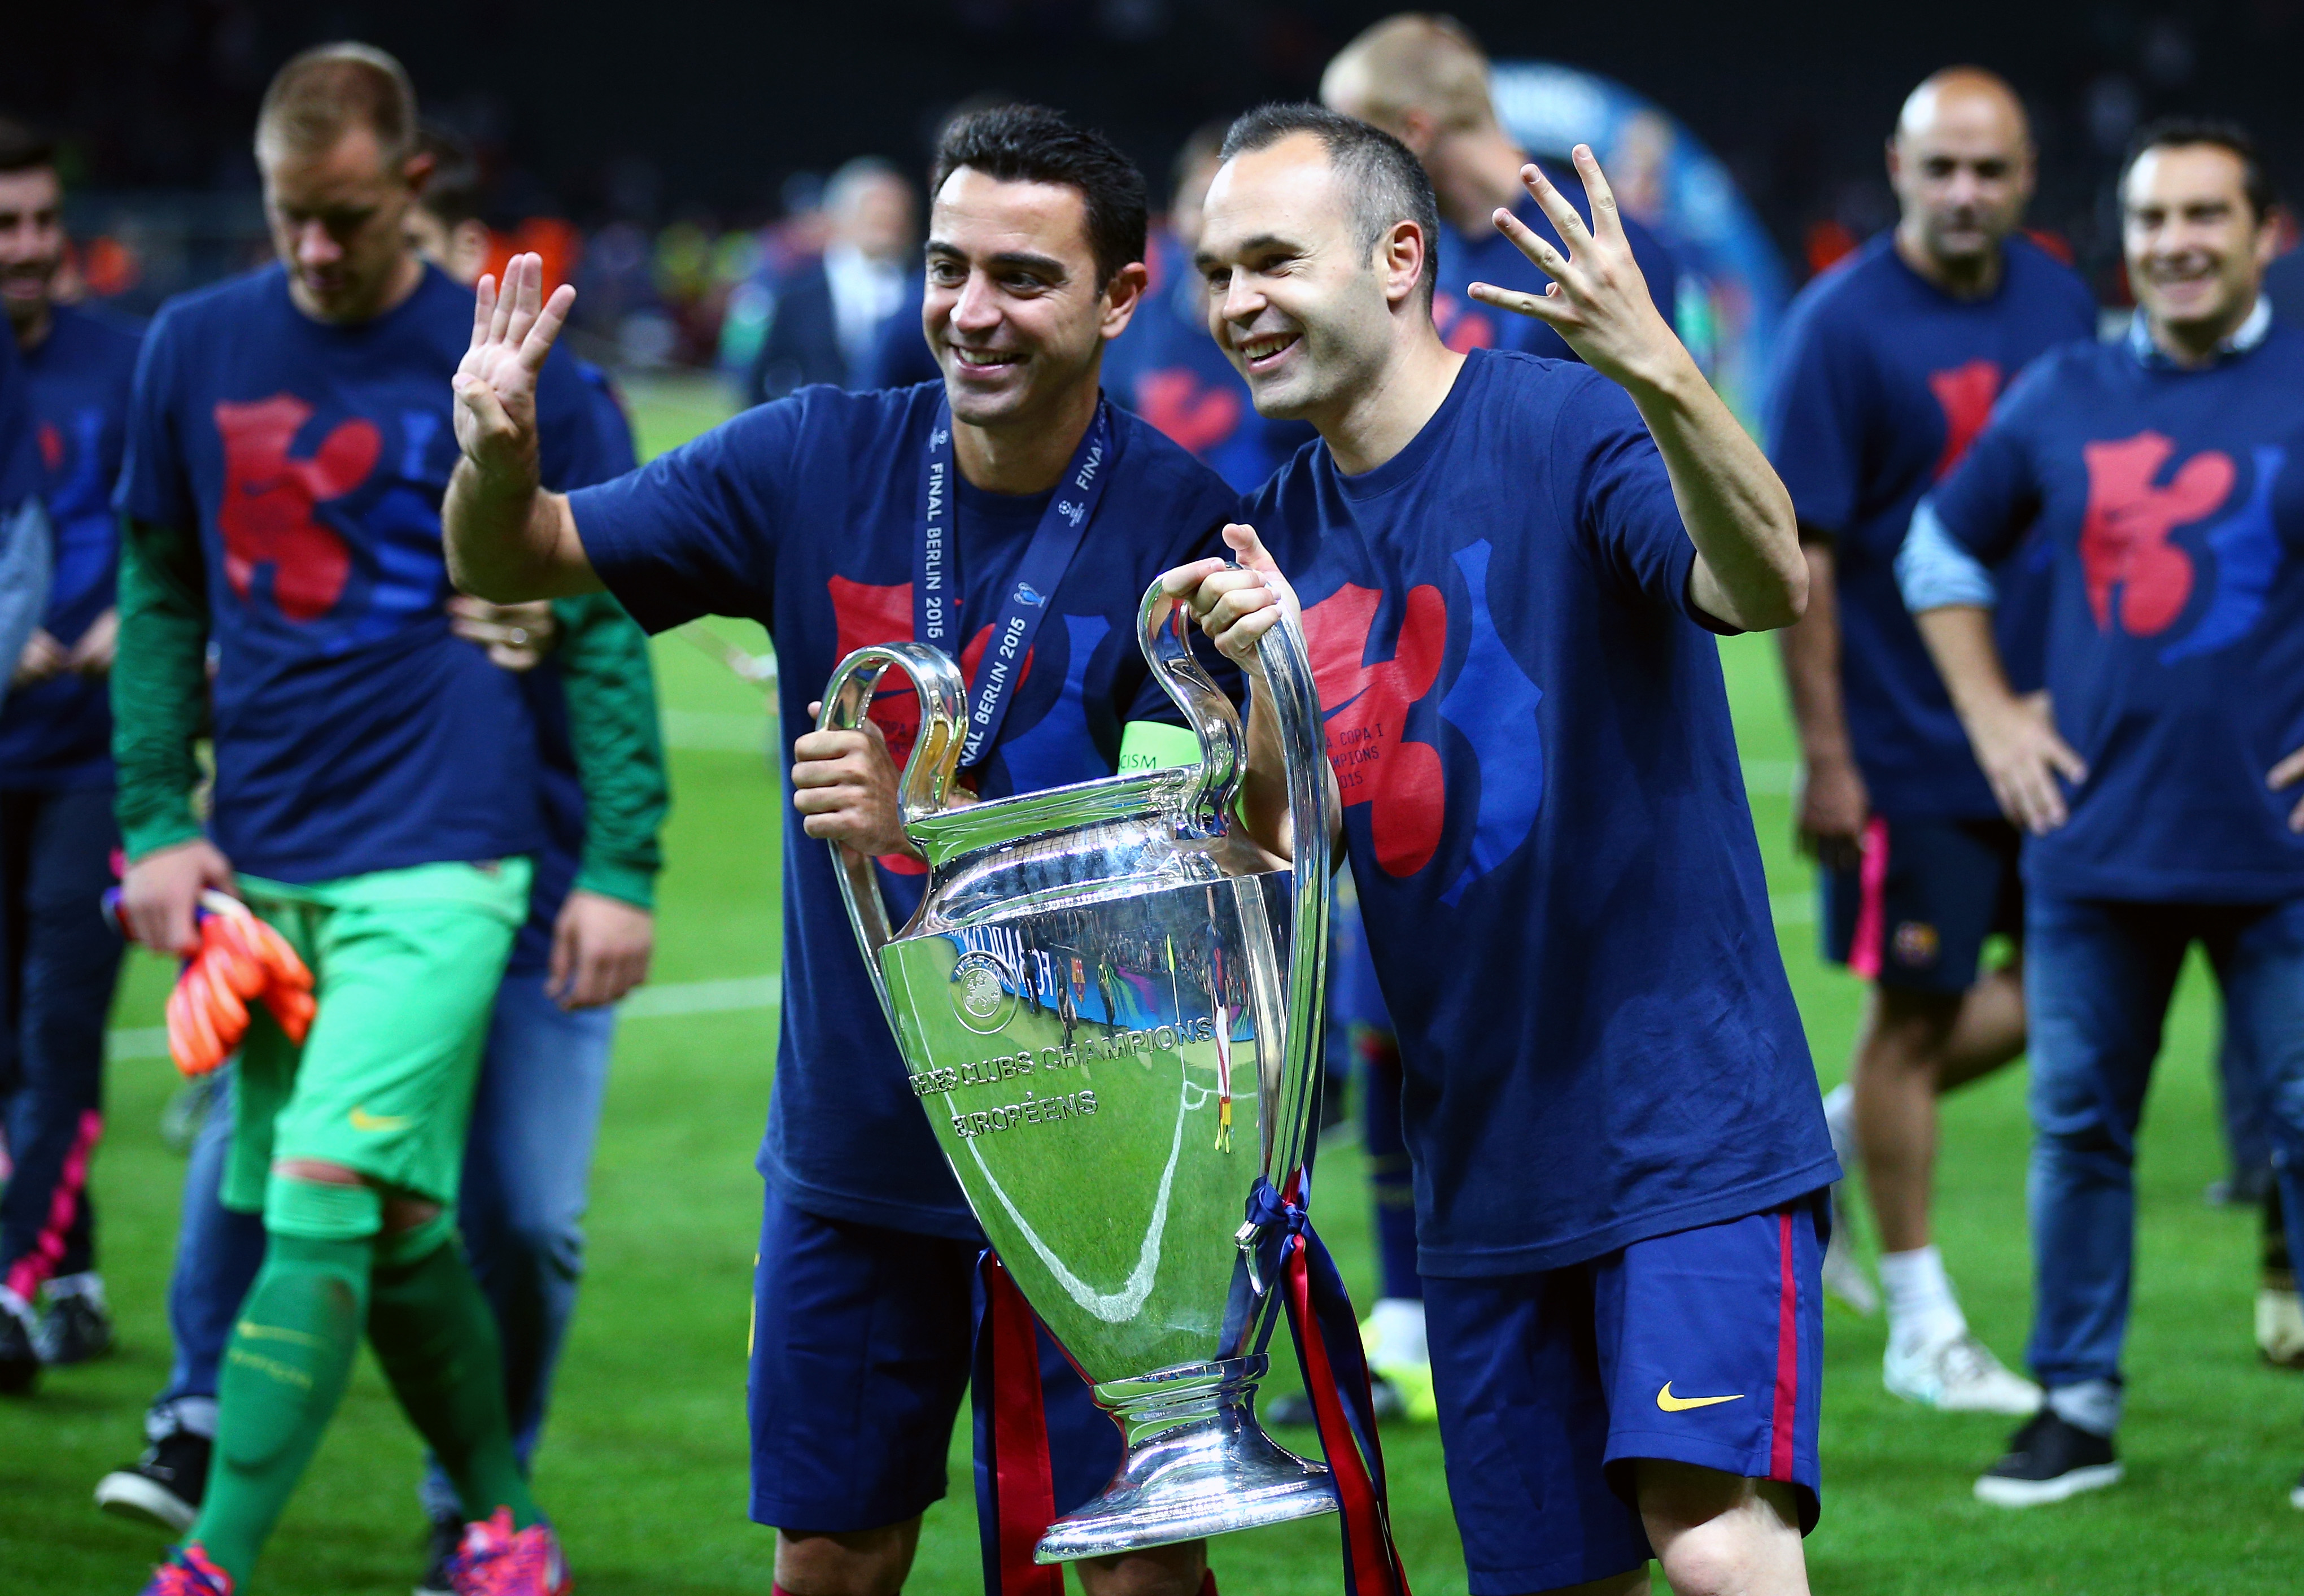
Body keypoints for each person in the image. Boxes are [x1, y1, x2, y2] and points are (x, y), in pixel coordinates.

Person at [445, 106, 1242, 1596]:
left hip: (1105, 1155)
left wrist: (925, 840)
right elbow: (515, 556)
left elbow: (1204, 881)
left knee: (1140, 1576)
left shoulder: (1188, 524)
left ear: (1123, 298)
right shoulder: (813, 459)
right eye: (950, 267)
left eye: (1023, 276)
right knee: (830, 1555)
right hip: (858, 1149)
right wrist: (495, 458)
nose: (972, 311)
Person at [1171, 103, 1834, 1595]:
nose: (1235, 304)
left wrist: (1660, 367)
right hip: (1477, 1170)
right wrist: (1269, 705)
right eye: (1217, 272)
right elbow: (1272, 882)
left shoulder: (1563, 422)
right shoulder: (1272, 540)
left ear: (1399, 257)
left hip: (1686, 1125)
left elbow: (1762, 580)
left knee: (1718, 1537)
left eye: (1273, 259)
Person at [94, 119, 667, 1596]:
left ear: (415, 198)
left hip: (477, 855)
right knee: (376, 1206)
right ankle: (492, 1516)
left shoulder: (553, 385)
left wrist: (622, 859)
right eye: (293, 216)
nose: (317, 252)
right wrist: (160, 816)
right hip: (280, 861)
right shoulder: (199, 345)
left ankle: (215, 1556)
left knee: (473, 1212)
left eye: (349, 218)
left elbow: (602, 613)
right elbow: (159, 590)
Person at [1898, 117, 2304, 1508]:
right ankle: (2071, 1402)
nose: (2175, 242)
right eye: (2148, 220)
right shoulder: (2059, 390)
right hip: (2095, 842)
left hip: (2281, 854)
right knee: (2076, 1129)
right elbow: (1934, 546)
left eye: (2205, 214)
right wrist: (1991, 714)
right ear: (2119, 241)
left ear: (2262, 232)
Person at [1761, 68, 2096, 1410]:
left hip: (2049, 727)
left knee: (2071, 989)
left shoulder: (2059, 301)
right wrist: (1829, 756)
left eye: (1988, 171)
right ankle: (1917, 1321)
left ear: (2023, 178)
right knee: (1907, 1016)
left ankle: (1831, 1142)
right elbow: (1805, 556)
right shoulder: (1834, 328)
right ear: (1895, 170)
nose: (1963, 195)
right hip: (1904, 742)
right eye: (1938, 168)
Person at [0, 114, 142, 1393]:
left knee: (59, 1028)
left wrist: (122, 622)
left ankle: (8, 1283)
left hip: (92, 753)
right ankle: (71, 1267)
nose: (32, 247)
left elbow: (175, 527)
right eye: (9, 228)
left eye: (45, 221)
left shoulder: (127, 358)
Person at [1320, 13, 1682, 361]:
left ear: (1415, 132)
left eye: (1357, 147)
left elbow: (1655, 416)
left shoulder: (1606, 254)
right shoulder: (1408, 253)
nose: (1345, 174)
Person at [1102, 120, 1315, 492]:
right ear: (1173, 212)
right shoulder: (1127, 323)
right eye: (1202, 203)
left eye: (1242, 208)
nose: (1217, 227)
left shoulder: (1304, 332)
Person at [745, 157, 917, 405]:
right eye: (874, 215)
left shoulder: (921, 289)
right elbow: (758, 376)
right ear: (840, 216)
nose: (888, 222)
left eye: (896, 215)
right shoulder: (796, 291)